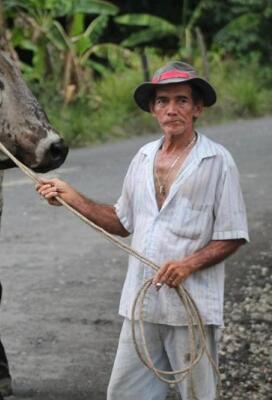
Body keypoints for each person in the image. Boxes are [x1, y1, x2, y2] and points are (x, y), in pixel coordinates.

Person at [36, 61, 249, 400]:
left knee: (197, 395)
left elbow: (233, 233)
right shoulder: (143, 157)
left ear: (197, 108)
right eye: (163, 101)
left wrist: (188, 265)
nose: (171, 109)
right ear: (153, 109)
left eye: (182, 100)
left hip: (190, 308)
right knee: (125, 394)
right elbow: (121, 223)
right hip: (143, 304)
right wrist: (71, 196)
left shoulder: (217, 161)